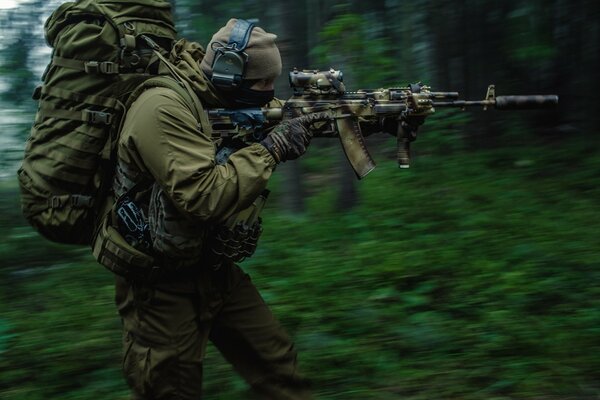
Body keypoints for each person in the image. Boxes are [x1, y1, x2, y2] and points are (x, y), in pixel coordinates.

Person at [102, 18, 329, 400]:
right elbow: (202, 196)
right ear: (227, 74)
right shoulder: (161, 107)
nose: (269, 93)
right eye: (260, 84)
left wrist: (357, 117)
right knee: (171, 389)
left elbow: (275, 114)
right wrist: (271, 149)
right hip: (159, 285)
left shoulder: (221, 98)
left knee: (279, 369)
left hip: (213, 269)